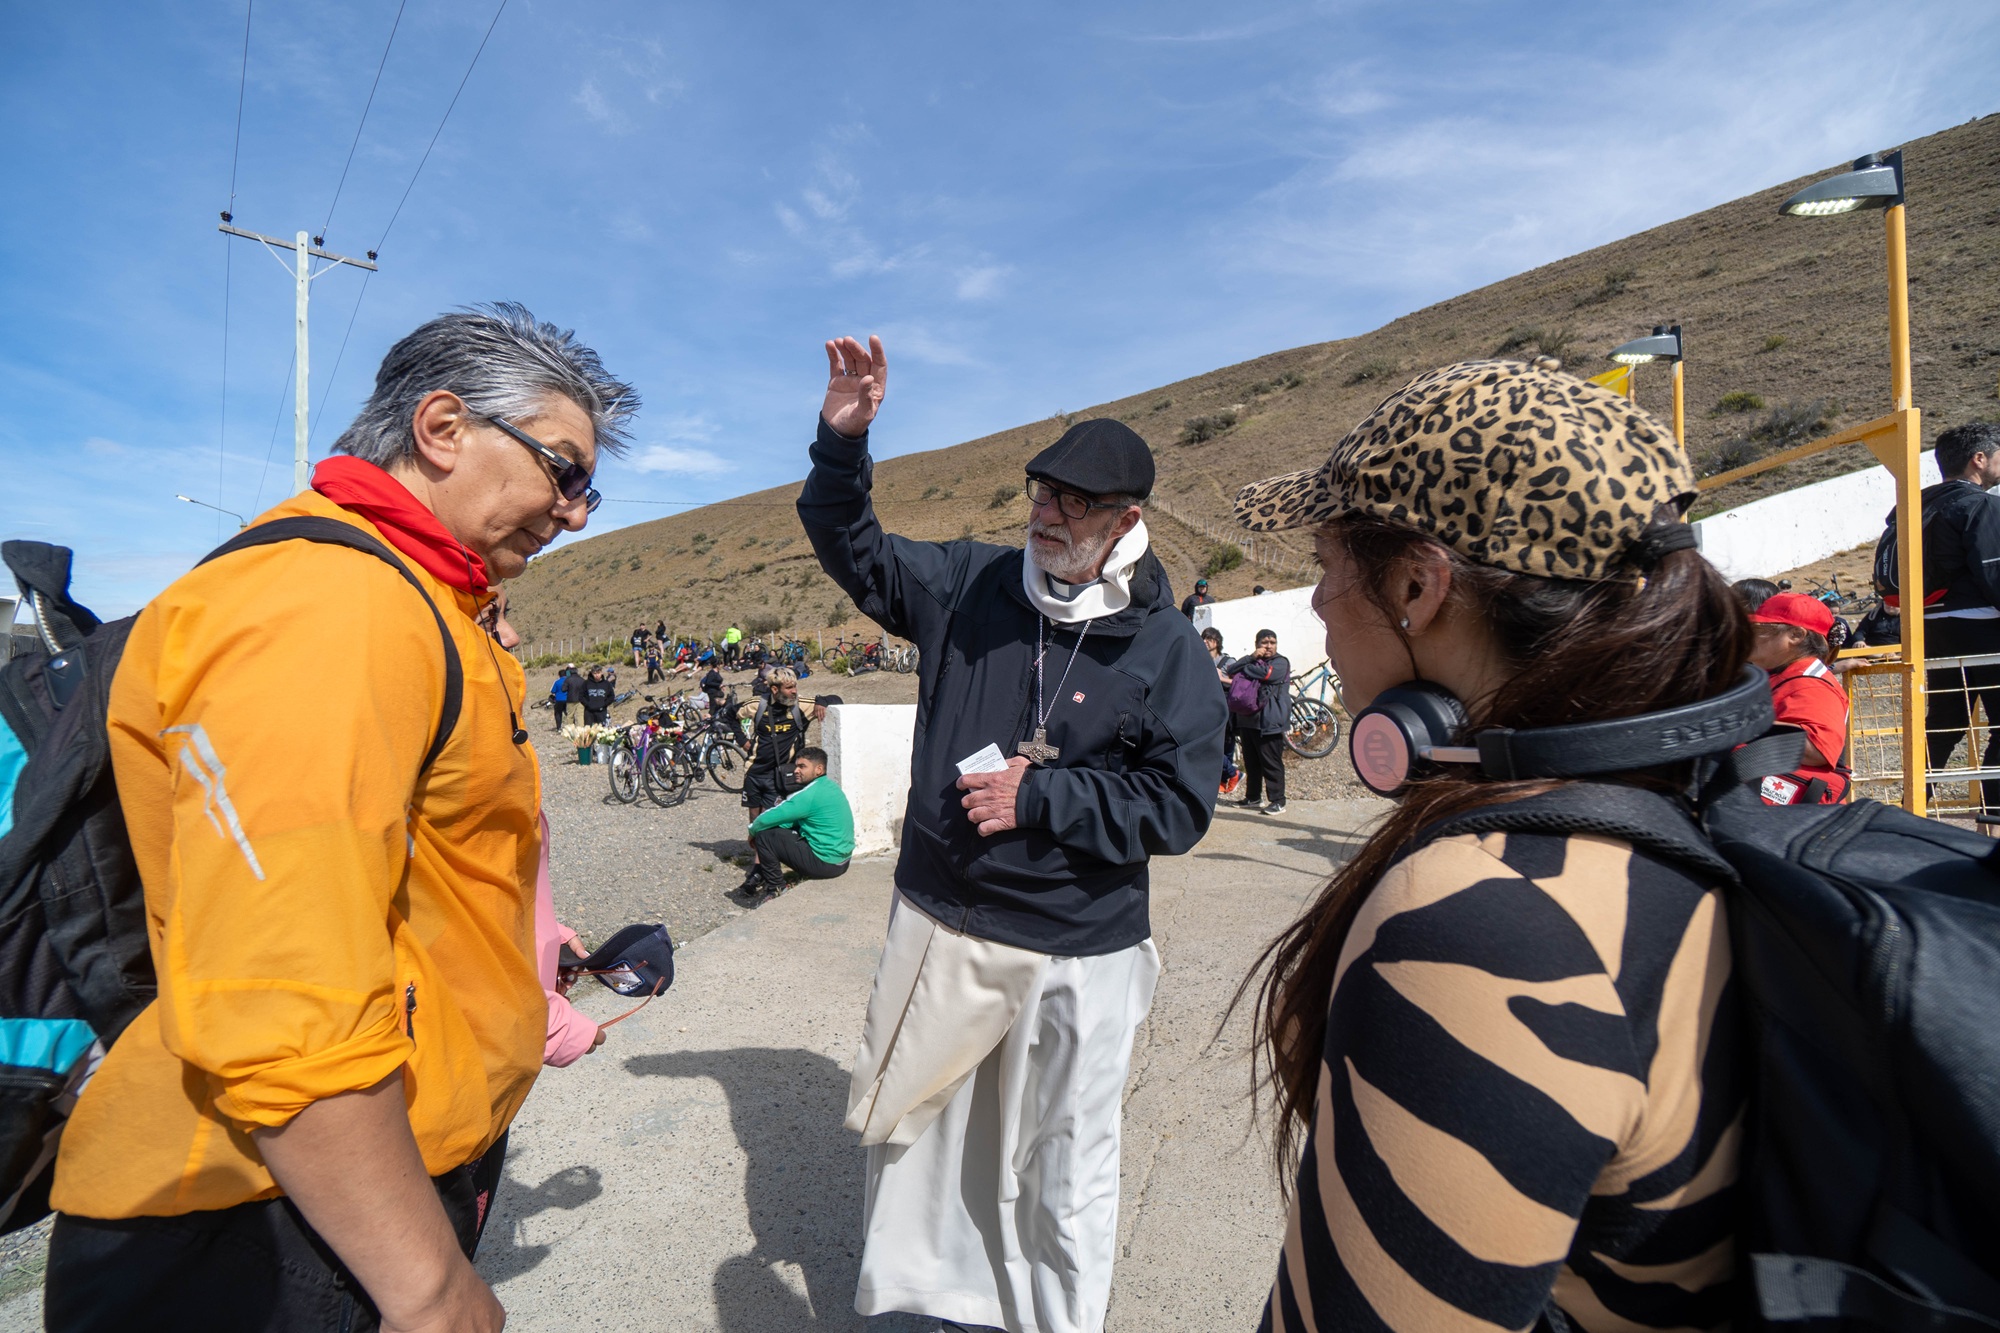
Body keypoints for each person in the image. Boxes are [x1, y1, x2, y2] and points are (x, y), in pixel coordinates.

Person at [45, 302, 635, 1332]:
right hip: (257, 1221)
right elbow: (286, 1002)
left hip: (341, 1180)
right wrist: (430, 1287)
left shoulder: (413, 603)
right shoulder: (329, 609)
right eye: (564, 470)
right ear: (442, 429)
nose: (577, 511)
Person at [1231, 358, 1744, 1331]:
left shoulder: (1490, 916)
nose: (1312, 604)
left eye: (1325, 566)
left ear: (1417, 585)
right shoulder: (1682, 801)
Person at [799, 335, 1224, 1333]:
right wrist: (839, 444)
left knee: (1058, 1164)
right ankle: (927, 1310)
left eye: (1071, 503)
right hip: (945, 918)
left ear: (1125, 520)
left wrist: (1046, 798)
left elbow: (1178, 807)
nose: (1044, 514)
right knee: (919, 1140)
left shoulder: (1168, 652)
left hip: (1079, 949)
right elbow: (849, 544)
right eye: (1039, 492)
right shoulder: (968, 584)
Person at [1890, 422, 2000, 787]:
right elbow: (1992, 572)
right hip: (1982, 628)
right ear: (1979, 459)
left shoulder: (1914, 506)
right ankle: (1993, 819)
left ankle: (1914, 806)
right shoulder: (1981, 504)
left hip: (1932, 627)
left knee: (1944, 722)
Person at [1747, 591, 1851, 804]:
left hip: (1792, 820)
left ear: (1796, 635)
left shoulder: (1811, 683)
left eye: (1759, 630)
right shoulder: (1786, 673)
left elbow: (1818, 749)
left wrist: (1736, 723)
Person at [745, 747, 855, 895]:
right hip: (842, 861)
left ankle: (776, 889)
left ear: (819, 769)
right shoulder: (828, 787)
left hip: (827, 864)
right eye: (796, 766)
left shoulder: (809, 794)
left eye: (802, 766)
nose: (796, 770)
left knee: (764, 836)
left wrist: (753, 832)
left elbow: (767, 817)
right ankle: (765, 876)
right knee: (775, 829)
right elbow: (789, 820)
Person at [738, 669, 809, 893]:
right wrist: (743, 741)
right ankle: (760, 864)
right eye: (789, 688)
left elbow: (834, 701)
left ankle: (760, 869)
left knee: (768, 823)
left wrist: (824, 703)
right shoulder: (757, 705)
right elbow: (729, 715)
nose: (794, 691)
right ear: (775, 689)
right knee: (754, 822)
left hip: (778, 777)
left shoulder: (799, 706)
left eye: (795, 686)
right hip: (753, 774)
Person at [1220, 629, 1290, 814]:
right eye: (1264, 643)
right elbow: (1231, 670)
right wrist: (1250, 658)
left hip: (1269, 721)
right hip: (1247, 720)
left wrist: (1245, 668)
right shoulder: (1253, 659)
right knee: (1251, 762)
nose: (1268, 646)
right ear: (1256, 644)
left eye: (1272, 643)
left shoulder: (1281, 662)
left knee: (1271, 763)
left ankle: (1278, 801)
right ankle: (1253, 797)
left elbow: (1267, 675)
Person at [1202, 627, 1242, 795]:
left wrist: (1221, 678)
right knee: (1214, 745)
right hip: (1207, 708)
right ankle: (1228, 776)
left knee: (1226, 746)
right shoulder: (1201, 660)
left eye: (1209, 639)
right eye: (1203, 638)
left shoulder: (1228, 661)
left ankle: (1230, 776)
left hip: (1227, 709)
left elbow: (1240, 683)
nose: (1205, 641)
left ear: (1216, 642)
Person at [549, 663, 572, 729]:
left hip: (558, 700)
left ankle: (558, 727)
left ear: (559, 675)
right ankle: (571, 726)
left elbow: (552, 691)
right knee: (568, 714)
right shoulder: (569, 681)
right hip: (568, 699)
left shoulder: (557, 682)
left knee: (558, 713)